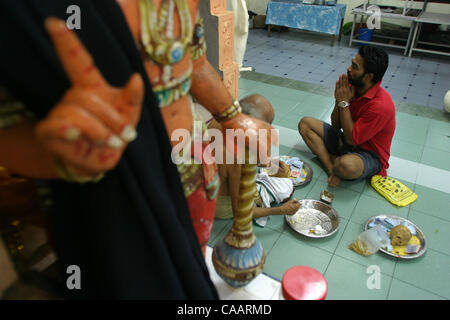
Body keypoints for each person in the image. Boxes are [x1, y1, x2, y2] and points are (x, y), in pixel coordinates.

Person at [0, 0, 275, 299]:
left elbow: (194, 62)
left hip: (193, 164)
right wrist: (58, 153)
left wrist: (232, 117)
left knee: (189, 264)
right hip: (114, 188)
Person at [298, 46, 395, 188]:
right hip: (348, 142)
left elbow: (352, 138)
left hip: (370, 154)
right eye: (351, 63)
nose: (349, 68)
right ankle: (332, 168)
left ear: (369, 76)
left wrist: (344, 103)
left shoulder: (381, 106)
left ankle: (338, 163)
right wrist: (339, 100)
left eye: (355, 67)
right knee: (305, 124)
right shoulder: (351, 87)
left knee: (345, 165)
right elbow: (336, 125)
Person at [195, 94, 300, 220]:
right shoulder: (236, 158)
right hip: (221, 206)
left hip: (203, 189)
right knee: (287, 186)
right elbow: (241, 212)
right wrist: (280, 210)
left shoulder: (218, 123)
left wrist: (266, 163)